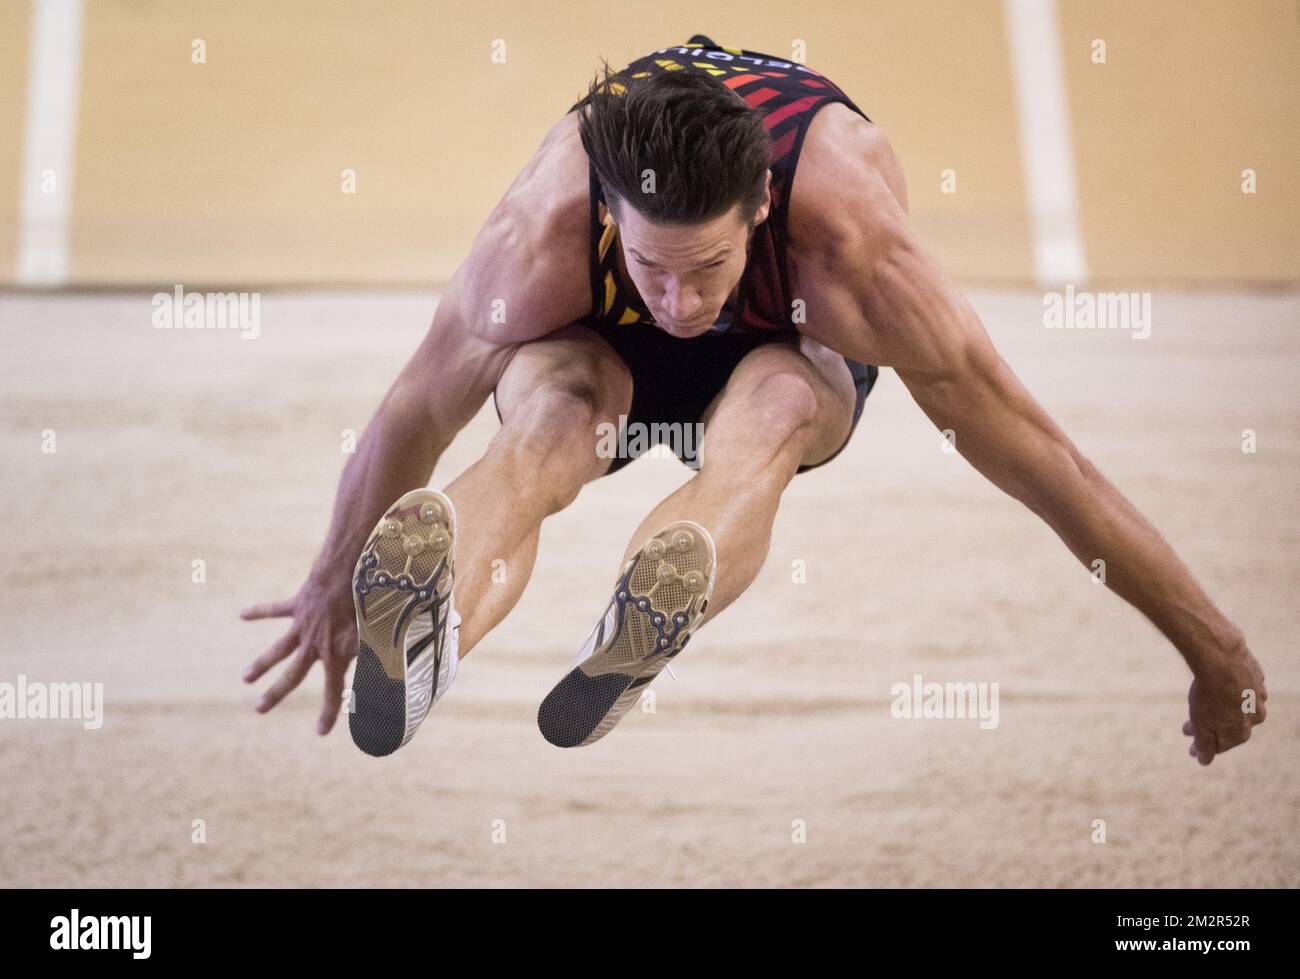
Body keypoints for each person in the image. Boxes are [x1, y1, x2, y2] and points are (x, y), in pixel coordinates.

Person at [241, 36, 1266, 759]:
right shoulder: (536, 239)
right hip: (598, 347)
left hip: (788, 341)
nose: (682, 302)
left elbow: (1047, 461)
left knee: (772, 409)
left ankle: (659, 595)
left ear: (764, 206)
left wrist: (1209, 645)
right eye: (653, 265)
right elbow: (417, 407)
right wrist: (335, 575)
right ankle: (429, 633)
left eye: (708, 266)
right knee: (547, 425)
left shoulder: (854, 251)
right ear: (606, 214)